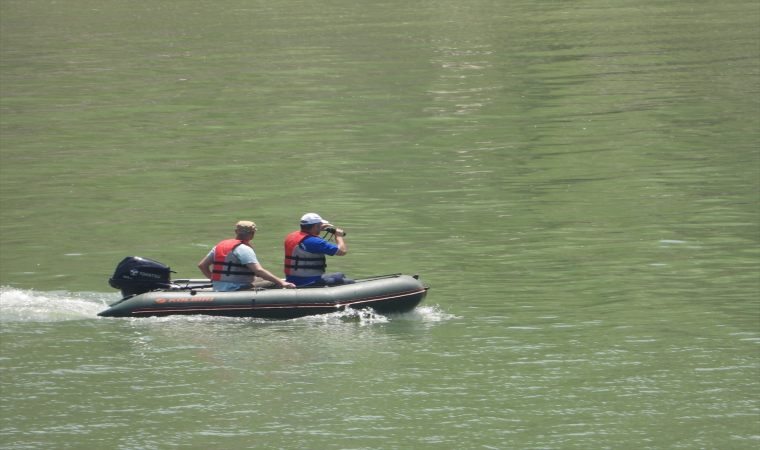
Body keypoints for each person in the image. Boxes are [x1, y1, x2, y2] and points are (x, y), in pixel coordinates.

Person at [198, 221, 296, 291]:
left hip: (218, 286)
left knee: (261, 280)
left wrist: (214, 279)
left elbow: (202, 265)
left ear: (236, 231)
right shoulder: (244, 249)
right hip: (236, 288)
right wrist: (282, 283)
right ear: (253, 233)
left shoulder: (219, 246)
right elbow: (258, 271)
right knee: (274, 283)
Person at [283, 213, 354, 287]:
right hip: (308, 282)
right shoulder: (315, 242)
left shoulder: (292, 236)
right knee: (350, 282)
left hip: (292, 279)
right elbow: (342, 251)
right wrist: (339, 237)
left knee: (340, 275)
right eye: (320, 225)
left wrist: (318, 229)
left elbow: (308, 243)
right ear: (315, 226)